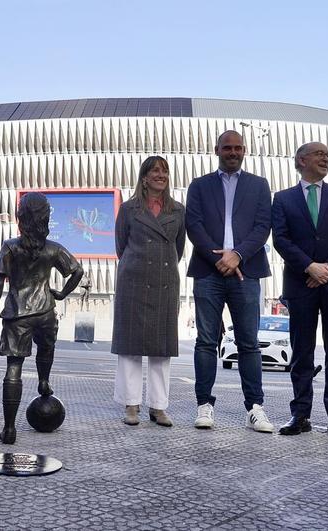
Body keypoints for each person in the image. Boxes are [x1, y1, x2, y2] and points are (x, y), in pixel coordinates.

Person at [271, 142, 328, 438]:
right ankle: (300, 414)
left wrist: (327, 267)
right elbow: (281, 239)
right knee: (302, 351)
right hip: (301, 283)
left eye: (327, 155)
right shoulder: (283, 198)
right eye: (319, 153)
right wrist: (309, 266)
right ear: (301, 160)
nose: (326, 158)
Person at [185, 130, 274, 432]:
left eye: (237, 148)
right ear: (216, 150)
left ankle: (256, 408)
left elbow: (263, 227)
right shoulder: (199, 186)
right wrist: (219, 260)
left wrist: (237, 255)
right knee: (206, 341)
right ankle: (204, 405)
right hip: (208, 272)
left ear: (244, 150)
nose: (232, 152)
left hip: (246, 272)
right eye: (227, 148)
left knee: (248, 343)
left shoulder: (259, 186)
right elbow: (193, 225)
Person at [0, 192, 83, 444]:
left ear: (21, 218)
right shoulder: (53, 249)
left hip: (17, 313)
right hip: (46, 311)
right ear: (46, 219)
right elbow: (77, 271)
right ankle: (43, 380)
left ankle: (9, 429)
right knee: (46, 348)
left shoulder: (10, 246)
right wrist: (61, 293)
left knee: (14, 367)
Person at [111, 156, 186, 427]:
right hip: (133, 281)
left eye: (164, 171)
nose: (160, 175)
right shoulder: (129, 209)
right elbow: (122, 247)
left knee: (161, 350)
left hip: (165, 282)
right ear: (144, 177)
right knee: (130, 349)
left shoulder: (178, 210)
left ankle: (159, 407)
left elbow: (178, 249)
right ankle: (131, 405)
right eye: (154, 171)